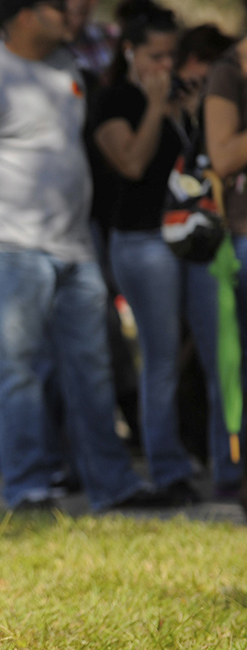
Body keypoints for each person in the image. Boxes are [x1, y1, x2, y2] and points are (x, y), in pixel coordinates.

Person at [0, 0, 169, 511]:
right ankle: (29, 487)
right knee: (18, 370)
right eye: (61, 5)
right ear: (25, 12)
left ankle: (113, 485)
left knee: (93, 369)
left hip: (74, 246)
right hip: (8, 247)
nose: (74, 12)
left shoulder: (66, 66)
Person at [93, 1, 222, 505]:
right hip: (143, 242)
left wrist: (190, 117)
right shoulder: (114, 100)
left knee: (219, 357)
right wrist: (153, 107)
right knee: (162, 359)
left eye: (173, 56)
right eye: (156, 56)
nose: (165, 67)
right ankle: (168, 470)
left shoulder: (185, 96)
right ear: (130, 52)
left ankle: (227, 466)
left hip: (195, 236)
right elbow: (130, 162)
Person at [204, 29, 247, 509]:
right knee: (232, 364)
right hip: (240, 237)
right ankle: (230, 472)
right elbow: (224, 156)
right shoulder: (229, 72)